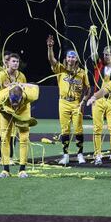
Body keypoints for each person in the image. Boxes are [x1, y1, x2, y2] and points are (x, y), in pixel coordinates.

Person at [47, 35, 90, 165]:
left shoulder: (82, 72)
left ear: (76, 59)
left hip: (76, 103)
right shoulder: (61, 69)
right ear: (66, 58)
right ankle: (65, 155)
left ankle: (80, 154)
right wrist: (50, 47)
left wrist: (83, 101)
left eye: (73, 56)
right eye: (69, 56)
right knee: (65, 130)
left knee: (78, 129)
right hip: (63, 102)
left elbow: (87, 89)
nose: (71, 59)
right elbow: (51, 60)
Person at [0, 83, 40, 178]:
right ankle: (5, 170)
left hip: (23, 112)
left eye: (16, 103)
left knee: (24, 139)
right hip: (7, 113)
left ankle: (22, 170)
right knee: (4, 139)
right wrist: (10, 115)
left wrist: (23, 84)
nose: (15, 106)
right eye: (12, 103)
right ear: (9, 97)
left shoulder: (30, 95)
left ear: (21, 96)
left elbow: (36, 87)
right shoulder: (0, 97)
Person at [0, 52, 26, 165]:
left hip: (15, 109)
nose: (16, 64)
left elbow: (24, 90)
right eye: (13, 61)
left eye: (17, 61)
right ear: (7, 63)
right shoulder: (1, 74)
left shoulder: (21, 76)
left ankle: (9, 157)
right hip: (2, 108)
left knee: (12, 133)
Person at [91, 45, 111, 165]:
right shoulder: (99, 66)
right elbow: (93, 53)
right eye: (105, 54)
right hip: (98, 100)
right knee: (97, 128)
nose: (107, 56)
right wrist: (92, 36)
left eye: (109, 54)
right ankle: (97, 154)